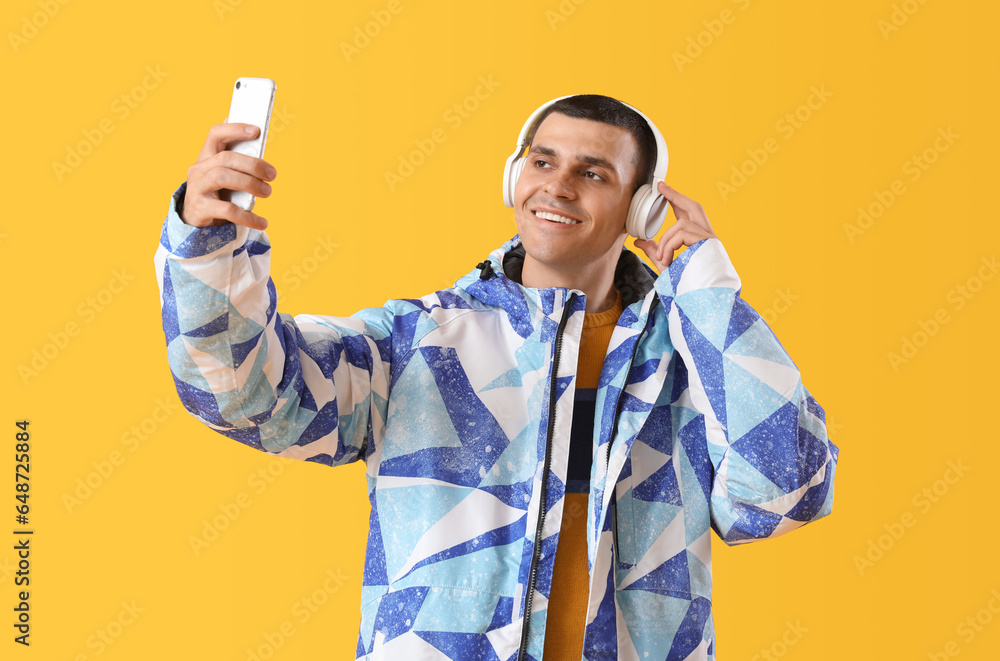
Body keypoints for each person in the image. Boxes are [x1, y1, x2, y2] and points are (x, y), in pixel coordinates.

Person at [155, 94, 838, 660]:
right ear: (515, 179)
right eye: (542, 161)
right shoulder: (418, 340)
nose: (558, 185)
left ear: (641, 207)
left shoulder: (692, 365)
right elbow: (246, 396)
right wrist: (207, 245)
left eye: (594, 173)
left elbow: (784, 490)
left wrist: (704, 279)